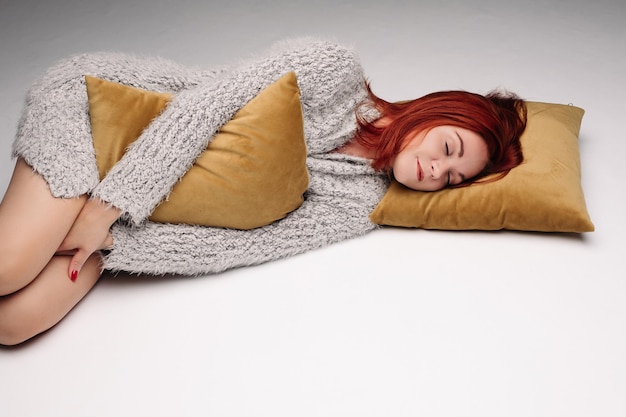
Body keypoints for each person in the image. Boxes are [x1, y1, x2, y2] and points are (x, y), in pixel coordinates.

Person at [0, 37, 526, 345]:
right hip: (99, 111)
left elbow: (249, 241)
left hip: (129, 215)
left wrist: (113, 237)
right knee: (9, 266)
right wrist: (104, 209)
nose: (437, 171)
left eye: (454, 178)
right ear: (430, 113)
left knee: (15, 324)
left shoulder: (362, 203)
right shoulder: (334, 67)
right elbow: (204, 107)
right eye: (448, 147)